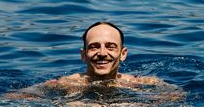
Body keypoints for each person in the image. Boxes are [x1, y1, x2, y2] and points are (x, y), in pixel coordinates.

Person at [9, 21, 182, 102]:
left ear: (123, 54)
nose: (102, 53)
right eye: (94, 47)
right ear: (83, 55)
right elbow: (15, 97)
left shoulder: (142, 83)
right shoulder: (63, 84)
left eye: (110, 46)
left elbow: (177, 96)